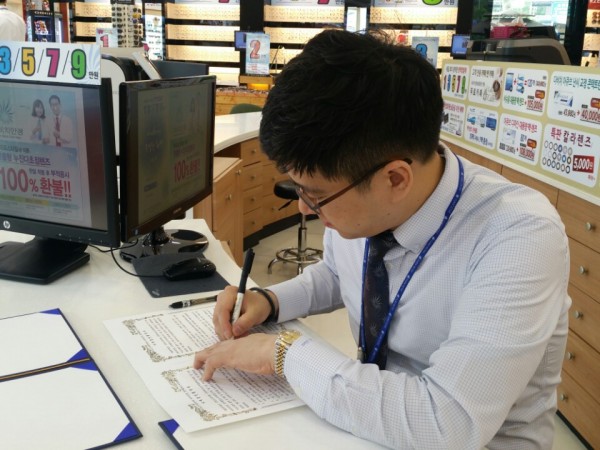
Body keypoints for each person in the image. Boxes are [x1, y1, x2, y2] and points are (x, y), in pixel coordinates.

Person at [194, 30, 570, 449]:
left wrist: (282, 353)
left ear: (395, 179)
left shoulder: (518, 235)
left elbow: (449, 423)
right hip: (374, 416)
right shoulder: (361, 196)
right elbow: (339, 274)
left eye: (315, 195)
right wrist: (270, 301)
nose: (303, 208)